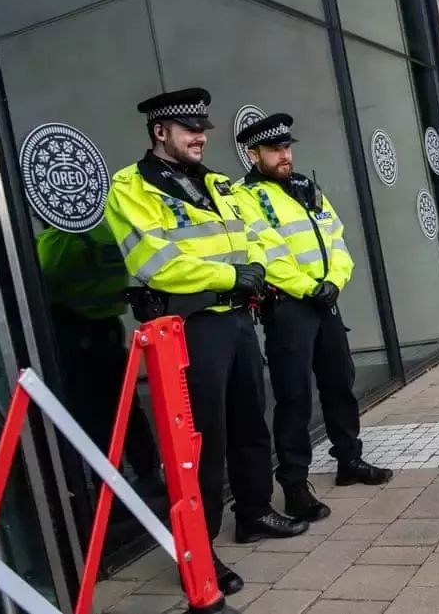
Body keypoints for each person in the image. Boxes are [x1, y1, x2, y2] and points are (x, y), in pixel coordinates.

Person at [104, 89, 307, 595]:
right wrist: (227, 276)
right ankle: (200, 550)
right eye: (189, 129)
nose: (200, 137)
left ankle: (256, 512)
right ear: (159, 132)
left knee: (249, 426)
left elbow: (251, 239)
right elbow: (155, 261)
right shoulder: (132, 187)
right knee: (204, 444)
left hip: (236, 319)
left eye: (202, 129)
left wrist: (255, 271)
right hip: (189, 327)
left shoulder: (215, 182)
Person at [232, 112, 392, 522]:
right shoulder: (245, 197)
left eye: (287, 147)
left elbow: (336, 237)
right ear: (253, 154)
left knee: (340, 384)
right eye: (274, 150)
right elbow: (263, 252)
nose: (284, 155)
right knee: (295, 396)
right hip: (289, 307)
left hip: (326, 301)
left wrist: (334, 281)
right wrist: (308, 287)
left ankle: (349, 461)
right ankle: (294, 485)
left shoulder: (307, 187)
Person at [36, 223, 163, 497]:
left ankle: (109, 489)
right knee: (127, 407)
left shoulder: (56, 242)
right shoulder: (107, 231)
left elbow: (36, 286)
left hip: (75, 333)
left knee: (93, 416)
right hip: (108, 327)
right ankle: (148, 472)